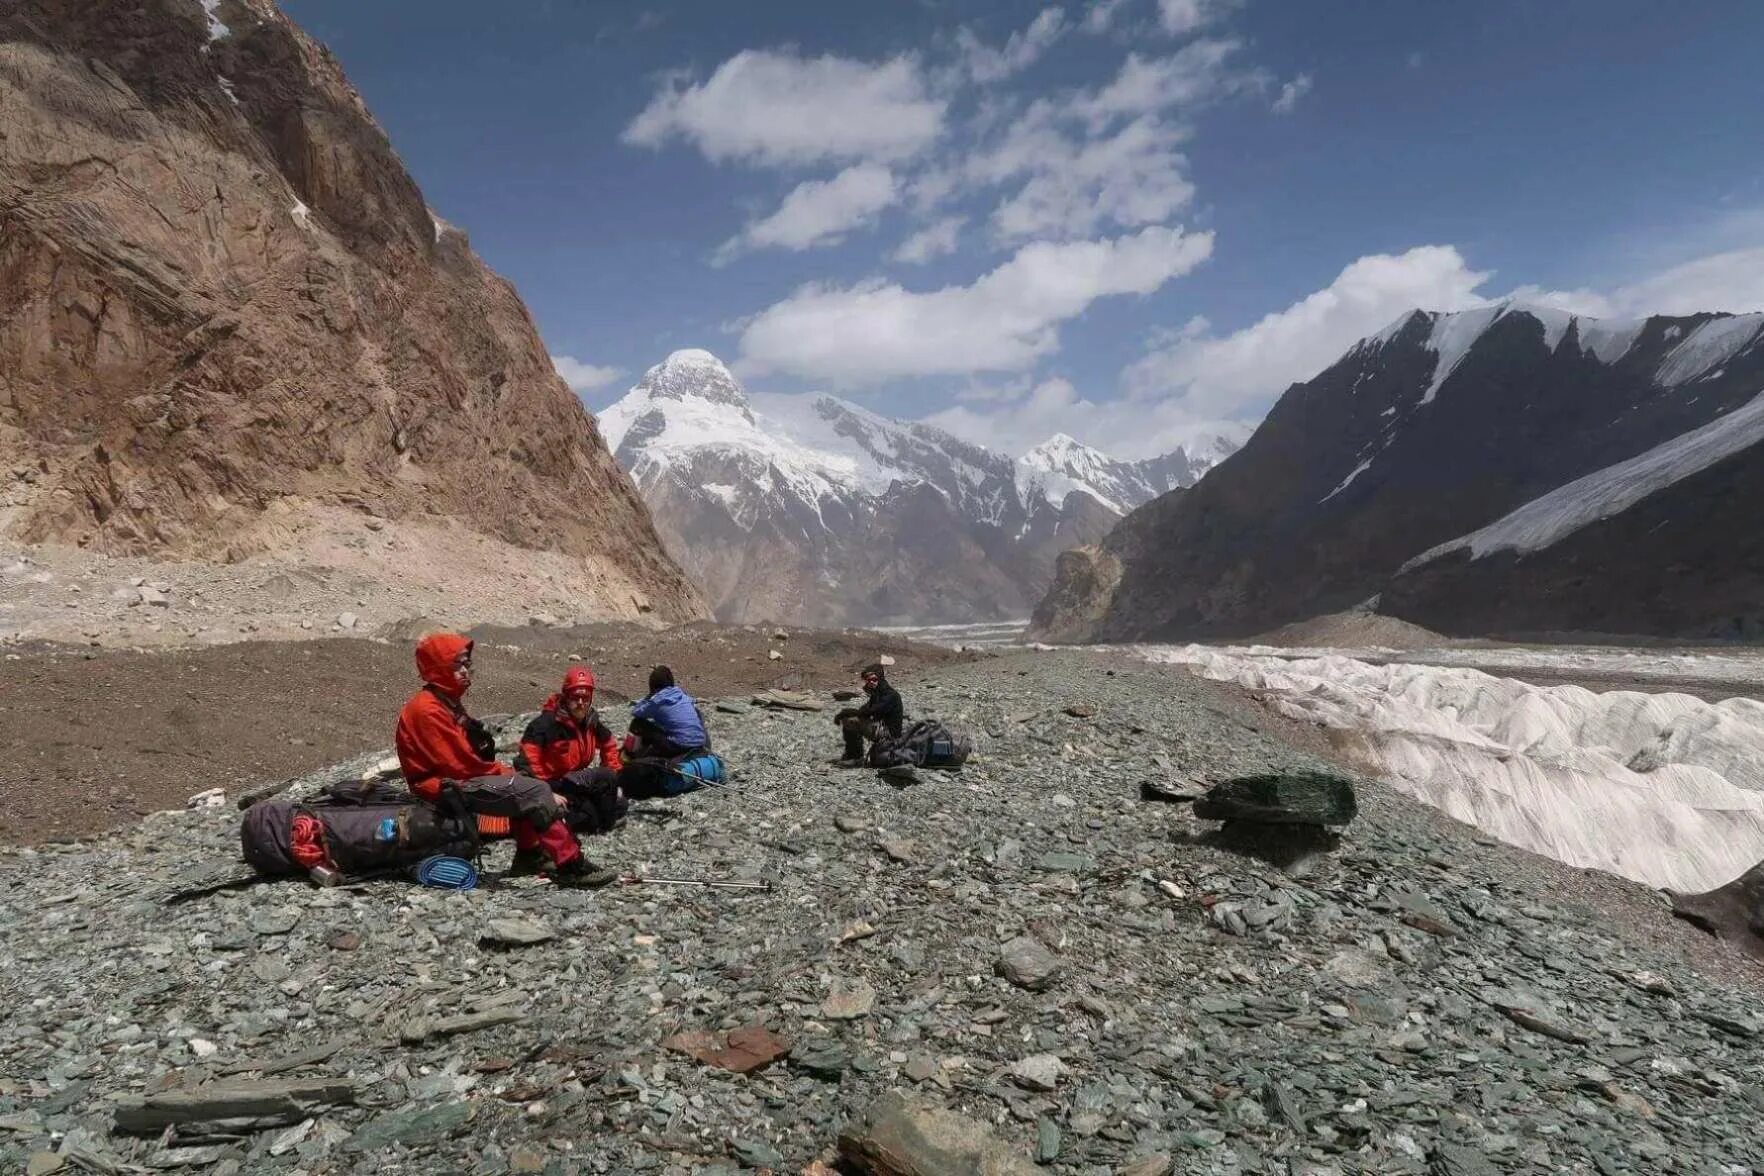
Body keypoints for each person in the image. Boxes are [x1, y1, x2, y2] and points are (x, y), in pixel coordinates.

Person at [394, 632, 614, 885]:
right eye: (458, 664)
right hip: (443, 787)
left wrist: (512, 776)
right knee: (533, 790)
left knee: (524, 786)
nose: (466, 671)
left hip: (452, 781)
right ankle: (570, 865)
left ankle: (530, 856)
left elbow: (467, 761)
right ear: (439, 666)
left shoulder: (444, 703)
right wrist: (515, 778)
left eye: (467, 664)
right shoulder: (428, 709)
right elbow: (462, 765)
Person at [519, 667, 626, 835]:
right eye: (575, 697)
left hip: (573, 780)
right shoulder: (545, 725)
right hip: (552, 784)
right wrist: (546, 793)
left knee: (617, 800)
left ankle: (595, 818)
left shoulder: (589, 720)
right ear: (565, 697)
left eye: (585, 698)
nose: (581, 703)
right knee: (594, 809)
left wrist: (612, 773)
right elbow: (526, 764)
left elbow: (608, 743)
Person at [621, 665, 711, 798]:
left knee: (638, 724)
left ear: (653, 686)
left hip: (679, 745)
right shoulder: (681, 694)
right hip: (700, 743)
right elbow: (691, 703)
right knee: (695, 713)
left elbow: (636, 712)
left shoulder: (657, 700)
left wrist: (649, 697)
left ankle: (629, 757)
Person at [834, 663, 904, 767]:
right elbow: (865, 709)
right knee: (850, 718)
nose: (871, 682)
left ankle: (855, 758)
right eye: (868, 680)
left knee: (850, 721)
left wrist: (846, 713)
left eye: (874, 679)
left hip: (889, 734)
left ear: (880, 678)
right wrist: (849, 712)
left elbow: (872, 710)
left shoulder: (890, 695)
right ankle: (852, 754)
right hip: (881, 728)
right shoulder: (877, 693)